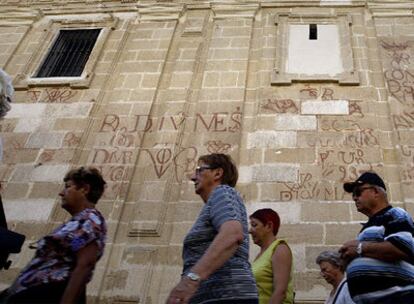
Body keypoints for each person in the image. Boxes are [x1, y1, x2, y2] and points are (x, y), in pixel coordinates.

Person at [1, 166, 107, 303]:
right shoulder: (79, 221)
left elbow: (85, 264)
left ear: (84, 189)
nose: (61, 193)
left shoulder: (91, 220)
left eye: (68, 187)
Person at [167, 153, 258, 304]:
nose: (193, 177)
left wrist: (190, 281)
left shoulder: (222, 192)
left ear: (217, 173)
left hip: (226, 296)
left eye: (199, 170)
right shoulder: (218, 200)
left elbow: (233, 234)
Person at [339, 171, 414, 303]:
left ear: (376, 192)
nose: (355, 198)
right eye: (353, 195)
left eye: (358, 192)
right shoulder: (368, 226)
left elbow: (402, 248)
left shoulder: (395, 214)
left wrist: (359, 248)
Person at [249, 209, 294, 304]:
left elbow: (280, 292)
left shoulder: (280, 249)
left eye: (254, 225)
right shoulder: (260, 255)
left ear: (269, 226)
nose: (250, 231)